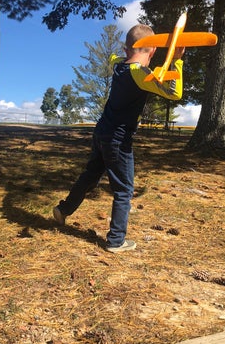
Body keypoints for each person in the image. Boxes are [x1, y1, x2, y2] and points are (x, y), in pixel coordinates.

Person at [53, 24, 184, 253]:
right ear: (152, 50)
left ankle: (63, 210)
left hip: (101, 132)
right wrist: (177, 61)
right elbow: (174, 92)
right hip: (118, 139)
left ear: (127, 49)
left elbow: (117, 55)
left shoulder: (118, 65)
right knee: (124, 189)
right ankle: (115, 241)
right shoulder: (140, 74)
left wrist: (131, 51)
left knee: (90, 175)